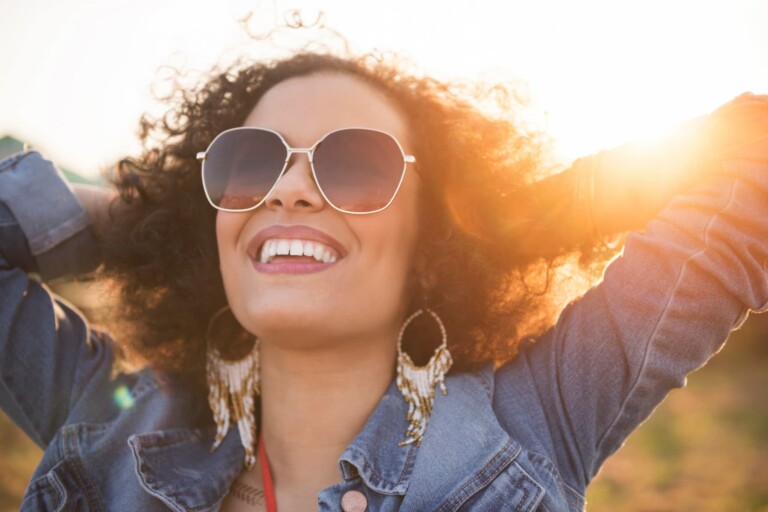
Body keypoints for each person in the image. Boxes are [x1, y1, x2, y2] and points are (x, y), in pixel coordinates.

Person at [0, 48, 766, 512]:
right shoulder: (108, 422)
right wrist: (156, 223)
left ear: (427, 232)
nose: (288, 190)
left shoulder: (539, 418)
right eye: (251, 164)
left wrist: (517, 221)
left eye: (355, 166)